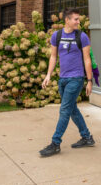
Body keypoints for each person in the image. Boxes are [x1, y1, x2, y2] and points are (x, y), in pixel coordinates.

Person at [39, 8, 95, 157]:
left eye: (79, 19)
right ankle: (87, 137)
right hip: (62, 79)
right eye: (76, 19)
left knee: (64, 110)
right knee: (72, 109)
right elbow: (53, 57)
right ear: (67, 20)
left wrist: (89, 80)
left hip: (76, 78)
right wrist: (48, 75)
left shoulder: (82, 37)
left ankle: (55, 143)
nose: (79, 21)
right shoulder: (56, 36)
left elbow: (87, 59)